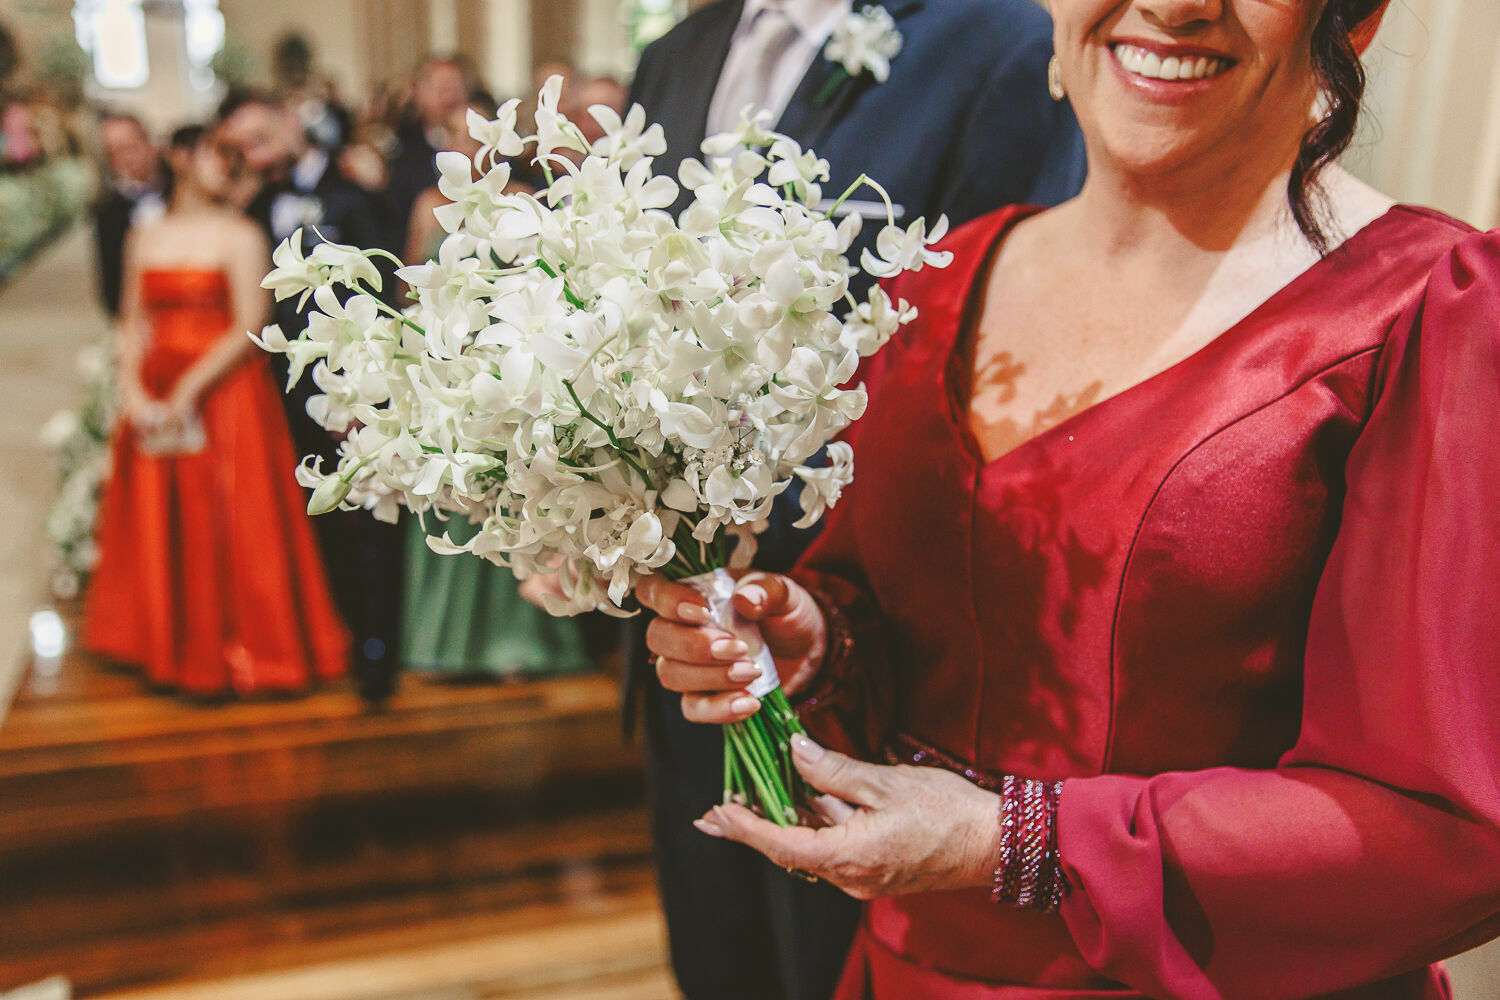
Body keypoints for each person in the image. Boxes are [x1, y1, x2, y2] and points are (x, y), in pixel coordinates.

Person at [640, 0, 1500, 996]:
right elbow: (909, 628)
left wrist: (1016, 840)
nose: (1176, 5)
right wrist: (823, 644)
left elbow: (1443, 822)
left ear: (1351, 14)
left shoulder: (1429, 313)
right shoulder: (946, 277)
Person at [618, 2, 1089, 998]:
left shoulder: (998, 42)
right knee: (716, 959)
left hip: (872, 669)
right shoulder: (675, 52)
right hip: (680, 639)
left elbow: (1013, 359)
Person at [85, 125, 349, 696]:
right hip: (156, 387)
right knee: (164, 518)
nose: (228, 166)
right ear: (181, 157)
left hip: (225, 392)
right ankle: (167, 644)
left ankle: (246, 649)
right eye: (218, 154)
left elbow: (251, 323)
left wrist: (188, 390)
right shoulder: (146, 235)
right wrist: (133, 388)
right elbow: (132, 319)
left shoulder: (241, 233)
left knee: (233, 520)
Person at [218, 88, 404, 703]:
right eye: (241, 147)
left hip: (348, 382)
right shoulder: (257, 202)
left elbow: (382, 293)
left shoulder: (351, 189)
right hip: (280, 387)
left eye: (260, 138)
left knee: (368, 519)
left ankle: (377, 652)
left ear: (288, 123)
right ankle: (338, 634)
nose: (253, 153)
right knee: (315, 517)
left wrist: (359, 389)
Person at [398, 103, 592, 682]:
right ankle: (447, 640)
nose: (464, 143)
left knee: (509, 491)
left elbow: (547, 286)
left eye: (475, 132)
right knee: (455, 489)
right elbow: (414, 282)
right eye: (455, 132)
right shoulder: (427, 205)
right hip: (447, 363)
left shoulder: (528, 201)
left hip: (507, 362)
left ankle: (518, 640)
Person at [386, 55, 474, 251]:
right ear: (420, 94)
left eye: (456, 88)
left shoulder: (487, 149)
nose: (450, 98)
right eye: (442, 89)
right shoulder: (402, 153)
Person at [93, 113, 164, 318]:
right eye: (114, 153)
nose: (126, 157)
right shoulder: (108, 211)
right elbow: (111, 283)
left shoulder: (184, 192)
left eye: (131, 146)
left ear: (149, 142)